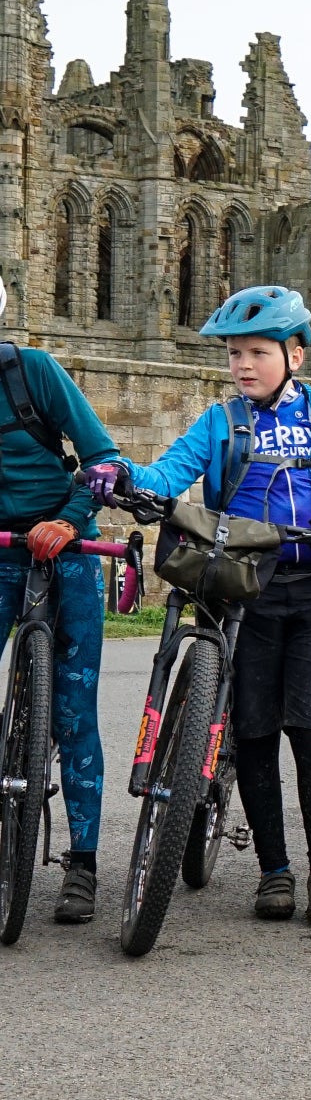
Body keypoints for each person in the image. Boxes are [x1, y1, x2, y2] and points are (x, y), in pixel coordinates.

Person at [88, 285, 311, 928]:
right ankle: (274, 871)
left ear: (295, 355)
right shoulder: (220, 422)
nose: (243, 365)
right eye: (234, 354)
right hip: (244, 588)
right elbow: (170, 473)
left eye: (257, 352)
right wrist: (126, 476)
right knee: (252, 733)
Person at [0, 270, 121, 923]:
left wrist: (70, 521)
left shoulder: (34, 373)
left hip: (65, 548)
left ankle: (83, 863)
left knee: (74, 714)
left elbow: (103, 460)